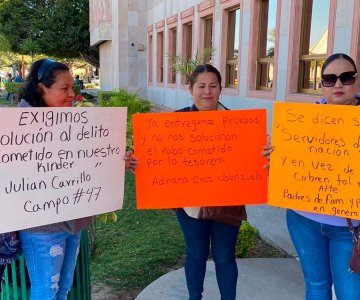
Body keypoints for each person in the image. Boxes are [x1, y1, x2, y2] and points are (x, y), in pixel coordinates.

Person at [16, 58, 136, 299]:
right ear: (42, 89)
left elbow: (89, 162)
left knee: (64, 287)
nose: (72, 94)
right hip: (42, 227)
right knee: (46, 291)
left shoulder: (77, 123)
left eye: (72, 88)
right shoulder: (17, 130)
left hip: (75, 222)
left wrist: (115, 162)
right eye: (64, 88)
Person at [263, 53, 360, 299]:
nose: (338, 84)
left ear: (356, 81)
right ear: (322, 85)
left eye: (346, 77)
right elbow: (291, 166)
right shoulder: (300, 121)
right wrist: (275, 160)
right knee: (316, 287)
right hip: (304, 221)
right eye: (330, 79)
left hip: (350, 228)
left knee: (350, 293)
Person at [175, 64, 246, 300]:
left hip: (228, 200)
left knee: (225, 255)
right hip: (189, 203)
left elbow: (250, 160)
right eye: (201, 86)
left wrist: (264, 153)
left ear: (220, 89)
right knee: (196, 253)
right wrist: (138, 164)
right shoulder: (175, 123)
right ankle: (194, 297)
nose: (207, 91)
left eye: (213, 86)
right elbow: (159, 159)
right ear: (191, 89)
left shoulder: (239, 124)